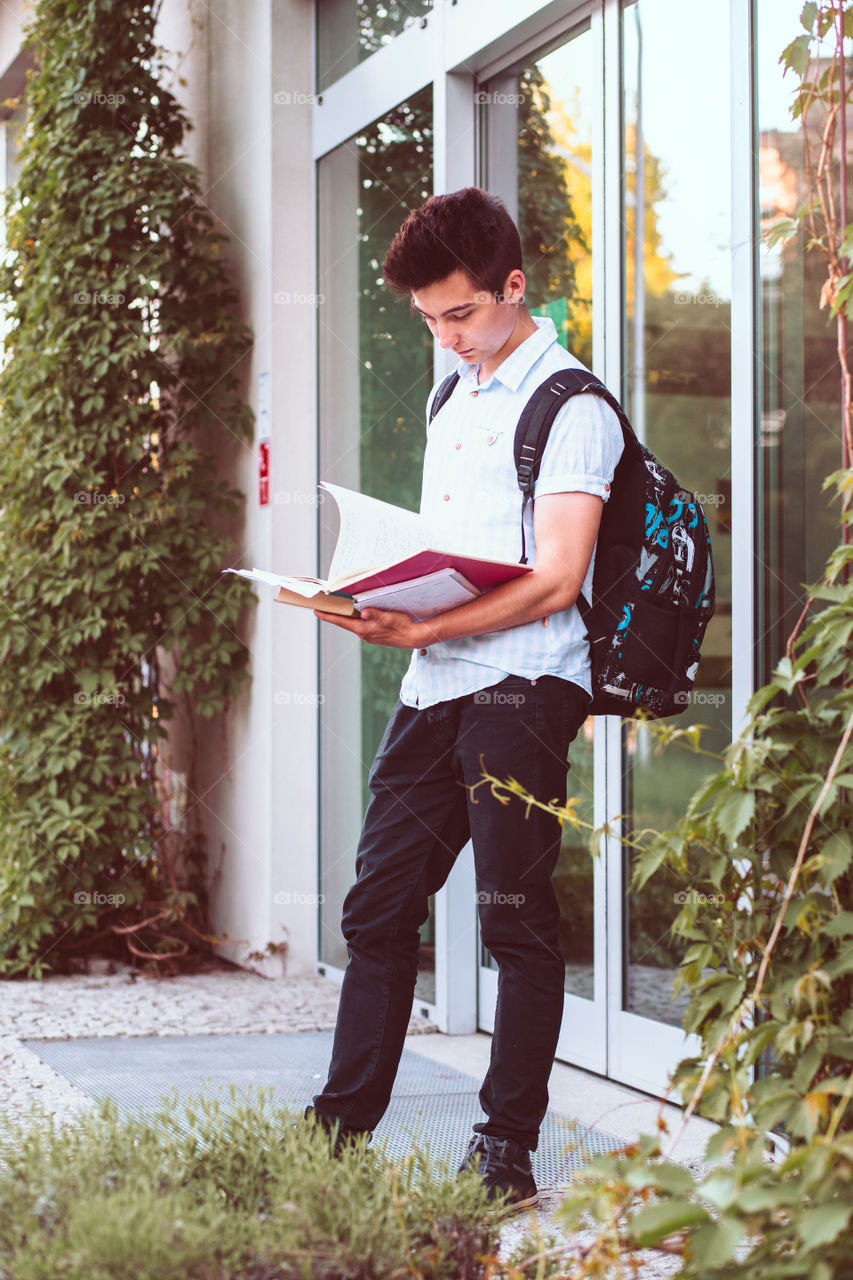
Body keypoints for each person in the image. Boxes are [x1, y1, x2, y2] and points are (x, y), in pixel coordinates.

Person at [308, 186, 624, 1209]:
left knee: (514, 921)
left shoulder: (570, 404)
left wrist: (427, 624)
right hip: (432, 682)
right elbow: (459, 553)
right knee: (378, 906)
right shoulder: (455, 394)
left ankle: (504, 1150)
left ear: (513, 287)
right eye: (429, 320)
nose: (445, 338)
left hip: (523, 690)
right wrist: (377, 597)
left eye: (462, 314)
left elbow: (555, 577)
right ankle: (337, 1124)